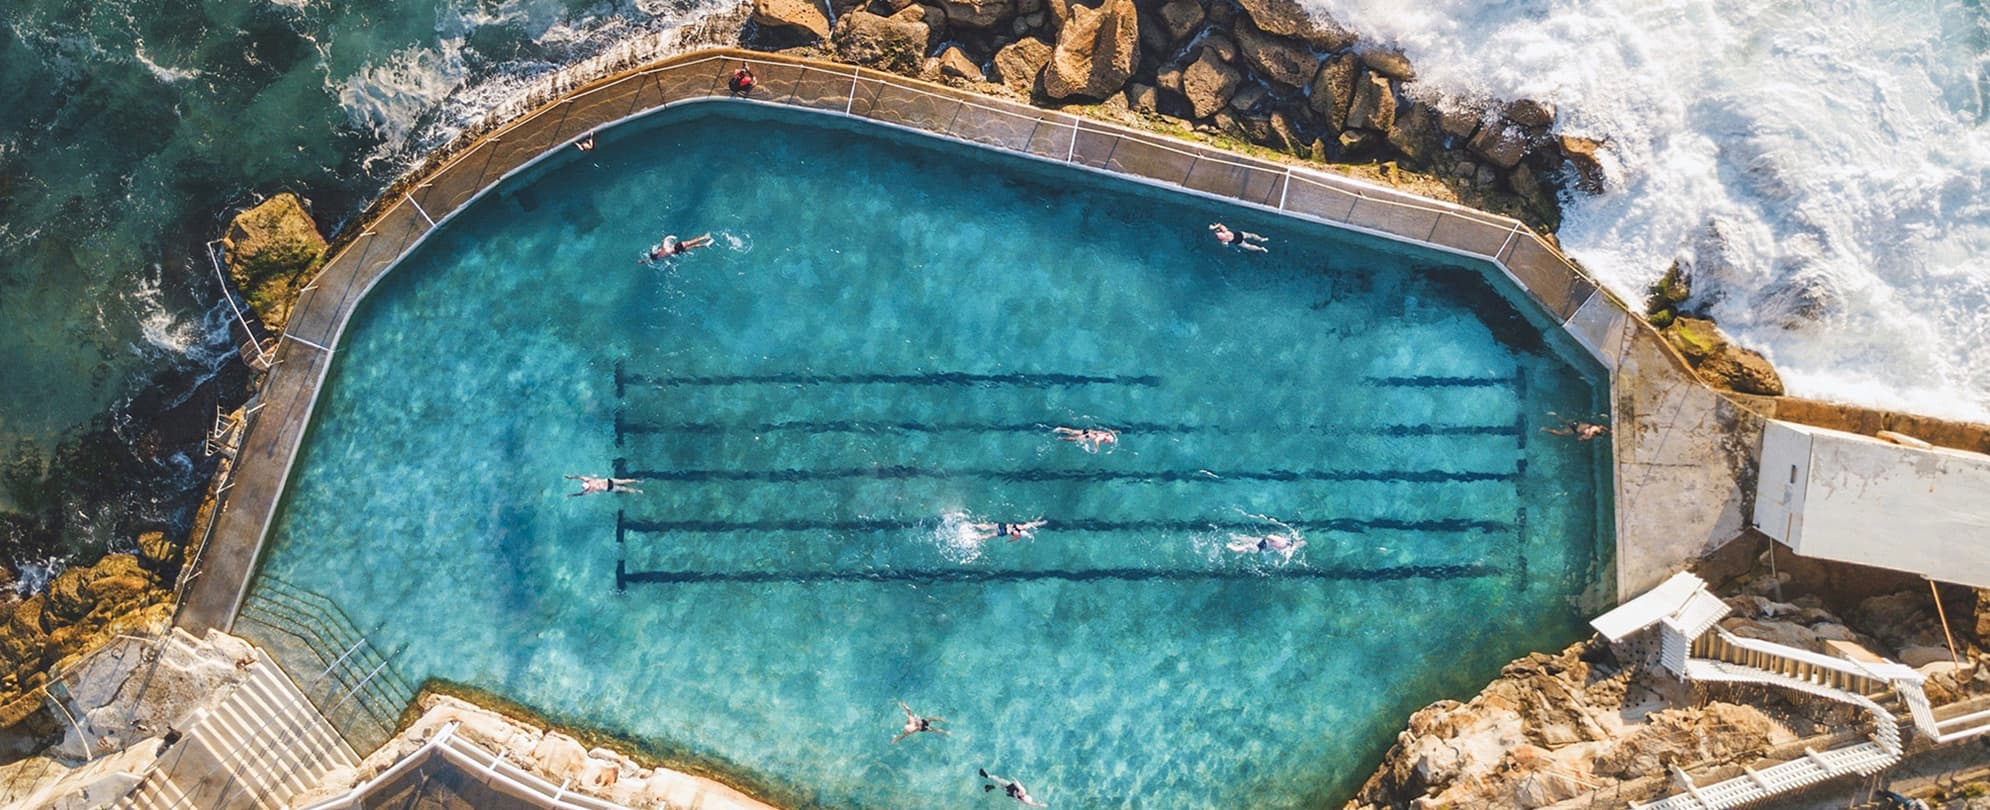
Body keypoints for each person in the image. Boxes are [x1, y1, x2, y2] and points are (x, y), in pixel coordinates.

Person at [979, 769, 1046, 807]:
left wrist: (1040, 805)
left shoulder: (1023, 800)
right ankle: (988, 778)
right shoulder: (1023, 791)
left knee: (1001, 787)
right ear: (1024, 794)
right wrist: (1015, 780)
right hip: (1010, 786)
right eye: (1022, 795)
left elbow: (1032, 804)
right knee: (999, 781)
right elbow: (1019, 785)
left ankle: (990, 785)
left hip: (1011, 792)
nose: (1021, 795)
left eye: (1022, 797)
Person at [1228, 531, 1305, 563]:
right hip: (1262, 547)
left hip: (1261, 542)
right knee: (1247, 547)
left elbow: (1269, 536)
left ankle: (1233, 543)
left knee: (1246, 542)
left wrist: (1271, 536)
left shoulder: (1282, 540)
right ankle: (1233, 545)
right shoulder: (1286, 548)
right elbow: (1287, 556)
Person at [643, 232, 716, 262]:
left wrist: (644, 261)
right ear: (656, 253)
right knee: (692, 241)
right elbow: (665, 241)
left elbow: (651, 258)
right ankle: (705, 237)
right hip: (677, 247)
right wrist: (670, 237)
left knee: (693, 246)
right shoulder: (663, 249)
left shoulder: (660, 257)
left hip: (677, 252)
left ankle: (705, 244)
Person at [968, 519, 1046, 544]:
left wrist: (1040, 523)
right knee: (990, 535)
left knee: (988, 526)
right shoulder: (1017, 534)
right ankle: (976, 538)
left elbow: (1032, 524)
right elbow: (1013, 539)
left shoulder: (1021, 526)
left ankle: (973, 525)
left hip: (1004, 526)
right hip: (1003, 532)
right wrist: (1008, 541)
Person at [1052, 426, 1118, 453]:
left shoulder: (1105, 434)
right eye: (1107, 442)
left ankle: (1060, 429)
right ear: (1106, 439)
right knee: (1074, 439)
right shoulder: (1102, 438)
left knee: (1072, 431)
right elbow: (1096, 440)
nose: (1106, 442)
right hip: (1087, 436)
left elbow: (1110, 432)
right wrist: (1097, 448)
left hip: (1087, 431)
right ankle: (1060, 438)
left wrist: (1115, 432)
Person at [566, 474, 642, 496]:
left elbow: (581, 494)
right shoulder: (589, 480)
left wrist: (572, 495)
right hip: (609, 481)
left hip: (608, 487)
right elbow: (579, 477)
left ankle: (638, 491)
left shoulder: (590, 490)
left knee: (624, 489)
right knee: (623, 481)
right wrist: (571, 477)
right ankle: (637, 481)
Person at [1542, 417, 1608, 441]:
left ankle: (1555, 415)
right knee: (1560, 433)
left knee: (1564, 421)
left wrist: (1608, 430)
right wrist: (1583, 438)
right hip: (1574, 429)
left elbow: (1601, 426)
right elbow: (1579, 438)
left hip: (1576, 422)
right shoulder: (1590, 435)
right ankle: (1545, 429)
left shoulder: (1596, 427)